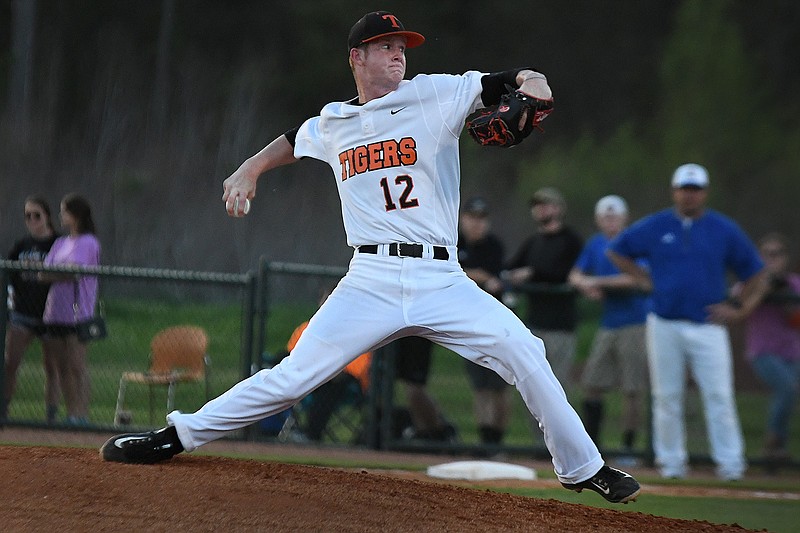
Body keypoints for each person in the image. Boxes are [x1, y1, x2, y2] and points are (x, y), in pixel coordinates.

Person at [101, 11, 640, 504]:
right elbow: (292, 139)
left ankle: (582, 467)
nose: (399, 53)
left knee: (525, 350)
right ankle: (175, 436)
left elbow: (520, 78)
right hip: (370, 278)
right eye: (385, 46)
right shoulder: (334, 121)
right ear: (357, 58)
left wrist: (535, 88)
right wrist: (248, 169)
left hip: (440, 276)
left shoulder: (437, 94)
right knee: (290, 379)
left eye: (402, 46)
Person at [607, 163, 764, 481]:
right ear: (675, 191)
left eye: (695, 190)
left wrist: (742, 309)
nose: (689, 195)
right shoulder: (657, 225)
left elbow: (755, 271)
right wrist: (642, 278)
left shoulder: (723, 229)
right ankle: (671, 463)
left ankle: (731, 465)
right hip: (664, 321)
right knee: (667, 395)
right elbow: (618, 250)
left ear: (704, 193)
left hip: (708, 323)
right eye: (684, 189)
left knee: (719, 394)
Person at [568, 195, 649, 455]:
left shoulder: (633, 242)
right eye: (605, 216)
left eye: (614, 216)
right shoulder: (596, 244)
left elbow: (636, 279)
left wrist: (597, 283)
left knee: (632, 389)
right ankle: (592, 447)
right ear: (598, 220)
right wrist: (585, 286)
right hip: (609, 323)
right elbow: (575, 275)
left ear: (624, 218)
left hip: (635, 322)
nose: (610, 221)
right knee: (592, 384)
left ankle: (628, 448)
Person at [504, 187, 583, 390]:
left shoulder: (571, 240)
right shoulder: (533, 242)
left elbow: (565, 272)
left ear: (558, 209)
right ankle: (538, 424)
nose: (541, 210)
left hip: (560, 325)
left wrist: (532, 273)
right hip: (534, 323)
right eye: (537, 206)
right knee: (533, 384)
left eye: (546, 205)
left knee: (557, 384)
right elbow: (510, 266)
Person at [734, 233, 800, 470]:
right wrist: (762, 287)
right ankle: (772, 444)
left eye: (777, 254)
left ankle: (776, 451)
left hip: (792, 352)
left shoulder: (794, 284)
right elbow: (737, 305)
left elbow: (796, 321)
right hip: (762, 351)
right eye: (767, 254)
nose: (772, 260)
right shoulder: (750, 280)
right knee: (786, 389)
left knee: (788, 395)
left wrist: (784, 297)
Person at [40, 193, 101, 425]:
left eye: (64, 211)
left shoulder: (89, 242)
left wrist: (60, 271)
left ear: (75, 215)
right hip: (56, 311)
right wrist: (60, 271)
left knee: (77, 366)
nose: (60, 216)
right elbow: (44, 273)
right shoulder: (60, 242)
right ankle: (70, 413)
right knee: (62, 366)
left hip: (79, 313)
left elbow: (74, 271)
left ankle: (81, 414)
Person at [457, 197, 511, 450]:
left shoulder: (493, 247)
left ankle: (496, 441)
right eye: (472, 218)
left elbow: (498, 279)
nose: (477, 224)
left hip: (493, 323)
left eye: (481, 219)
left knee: (499, 386)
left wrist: (477, 275)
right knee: (480, 386)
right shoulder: (454, 242)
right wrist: (478, 275)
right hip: (467, 324)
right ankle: (484, 440)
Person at [284, 287, 372, 442]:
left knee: (331, 383)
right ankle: (266, 429)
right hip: (308, 377)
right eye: (325, 300)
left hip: (345, 384)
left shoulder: (356, 330)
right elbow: (290, 355)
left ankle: (311, 434)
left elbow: (356, 370)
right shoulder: (308, 327)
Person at [3, 195, 61, 423]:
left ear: (47, 216)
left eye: (37, 215)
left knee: (52, 368)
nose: (32, 220)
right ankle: (3, 411)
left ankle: (51, 418)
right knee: (10, 363)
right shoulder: (21, 246)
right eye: (28, 216)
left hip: (51, 315)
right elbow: (9, 275)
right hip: (22, 313)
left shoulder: (58, 244)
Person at [391, 335, 457, 442]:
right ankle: (422, 433)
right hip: (398, 334)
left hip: (416, 336)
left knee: (414, 389)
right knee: (410, 389)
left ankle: (441, 433)